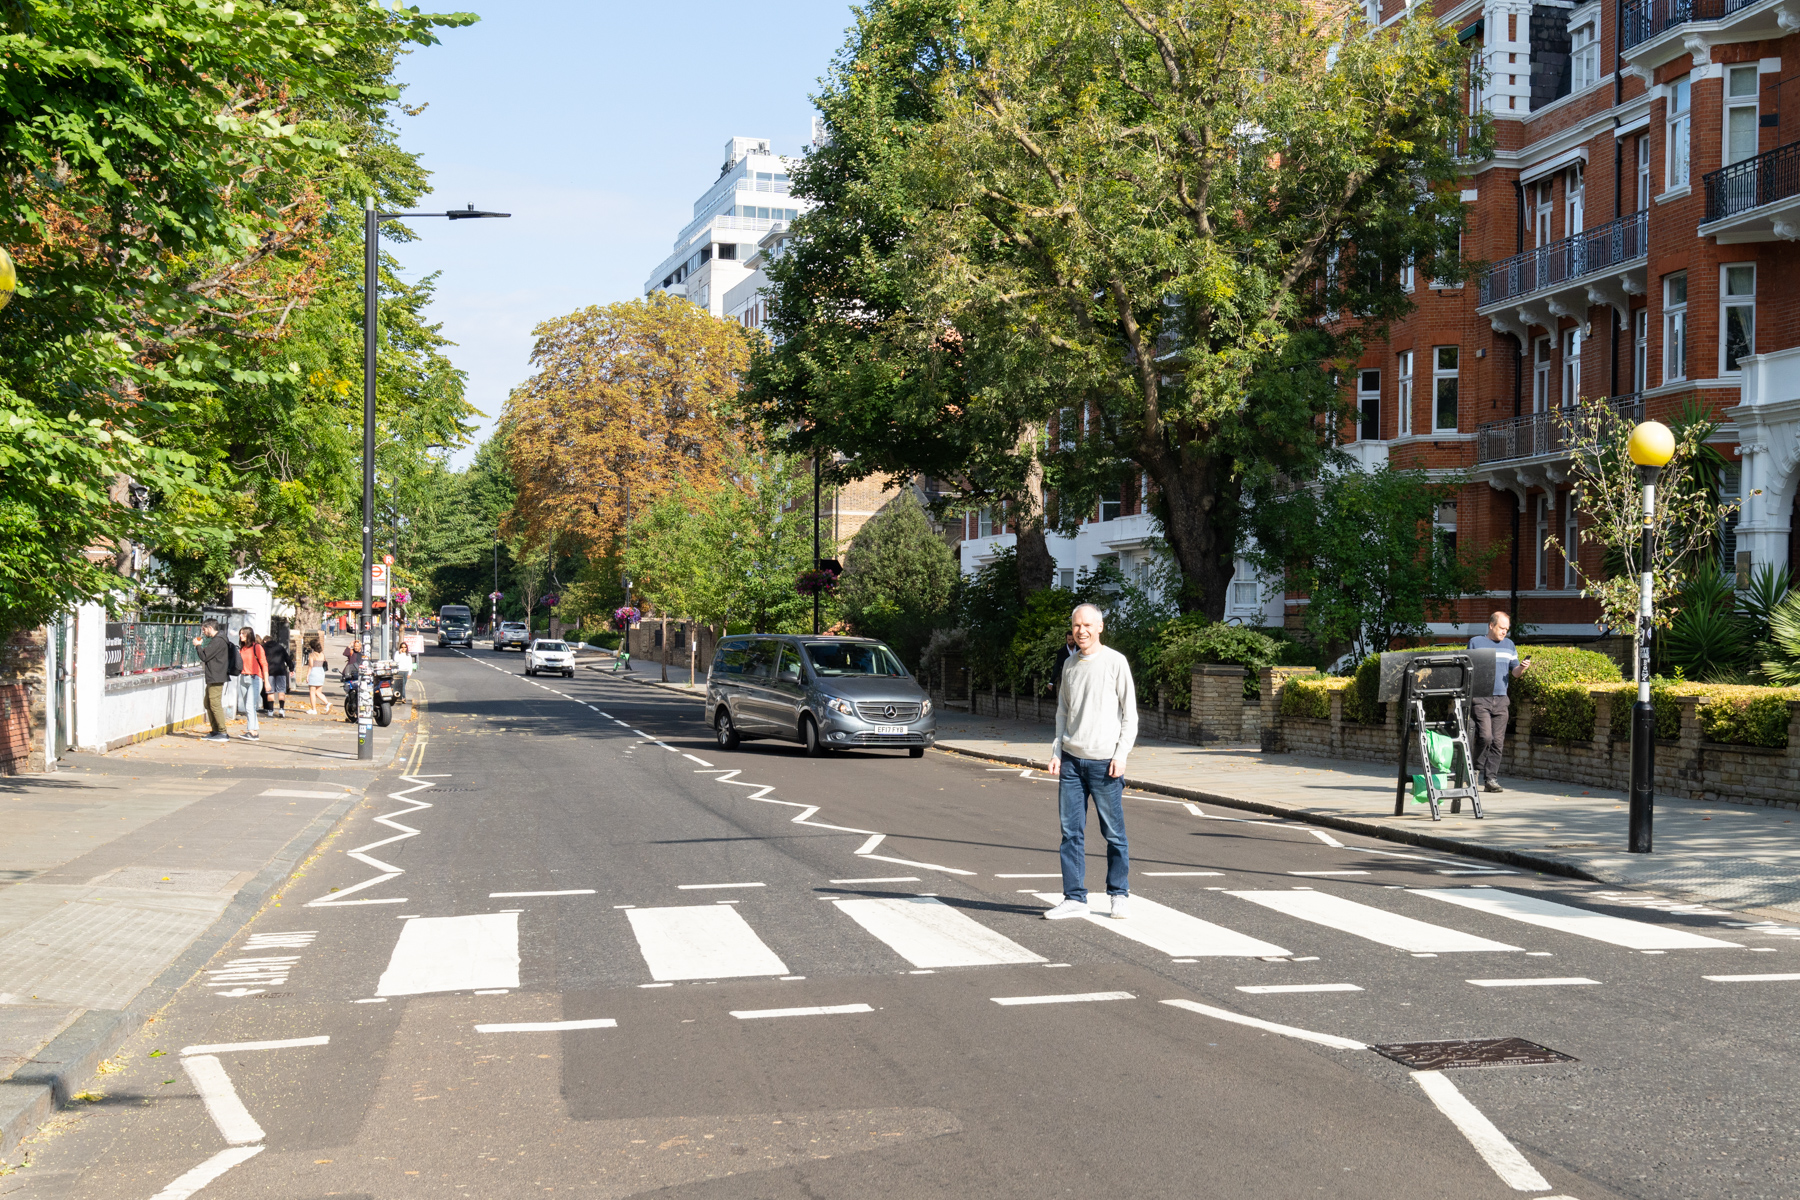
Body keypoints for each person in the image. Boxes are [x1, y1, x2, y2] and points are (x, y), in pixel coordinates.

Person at [1044, 603, 1139, 921]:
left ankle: (1119, 894)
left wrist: (1121, 754)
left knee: (1114, 832)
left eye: (1087, 625)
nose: (1081, 631)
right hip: (1071, 762)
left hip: (1104, 763)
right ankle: (1074, 898)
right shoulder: (1070, 666)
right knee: (1070, 832)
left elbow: (1130, 715)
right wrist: (1057, 752)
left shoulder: (1115, 662)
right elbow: (1062, 713)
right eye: (1076, 626)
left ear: (1099, 627)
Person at [1468, 611, 1530, 793]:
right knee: (1486, 736)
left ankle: (1491, 779)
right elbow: (1468, 668)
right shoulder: (1476, 642)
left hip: (1502, 699)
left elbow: (1515, 673)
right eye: (1502, 628)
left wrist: (1522, 668)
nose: (1505, 632)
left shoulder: (1509, 645)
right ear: (1491, 625)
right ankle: (1475, 768)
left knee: (1498, 742)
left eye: (1507, 629)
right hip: (1481, 697)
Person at [194, 621, 232, 741]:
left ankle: (222, 732)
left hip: (217, 675)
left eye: (204, 630)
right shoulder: (219, 639)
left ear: (210, 628)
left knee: (214, 703)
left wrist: (198, 646)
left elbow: (205, 656)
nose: (203, 632)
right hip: (214, 675)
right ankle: (215, 730)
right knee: (208, 703)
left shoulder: (218, 640)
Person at [235, 627, 267, 741]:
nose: (241, 636)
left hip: (255, 678)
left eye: (243, 633)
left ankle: (251, 732)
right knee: (248, 706)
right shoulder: (242, 649)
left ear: (249, 635)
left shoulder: (257, 647)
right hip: (243, 678)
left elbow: (264, 664)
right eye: (240, 633)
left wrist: (266, 681)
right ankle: (254, 731)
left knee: (249, 705)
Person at [262, 635, 291, 719]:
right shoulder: (280, 647)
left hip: (269, 671)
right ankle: (281, 709)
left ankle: (270, 710)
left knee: (270, 691)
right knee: (281, 690)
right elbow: (287, 658)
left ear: (265, 641)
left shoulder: (263, 648)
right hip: (281, 671)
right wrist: (291, 667)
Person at [305, 645, 328, 715]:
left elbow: (310, 666)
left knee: (312, 692)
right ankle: (327, 703)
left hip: (314, 672)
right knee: (318, 692)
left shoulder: (312, 655)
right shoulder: (322, 655)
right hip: (321, 672)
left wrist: (307, 675)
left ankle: (313, 709)